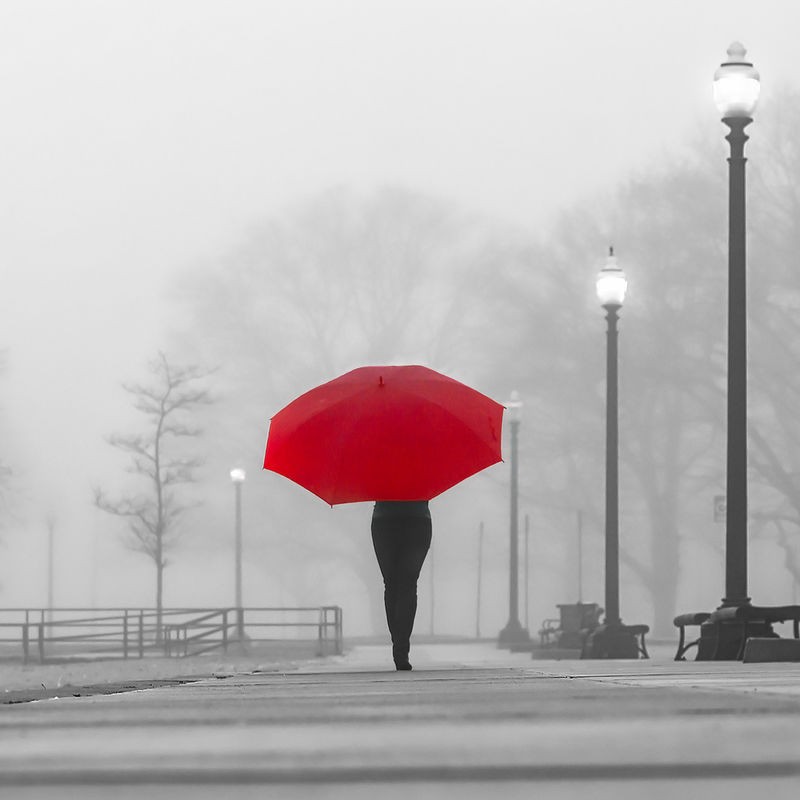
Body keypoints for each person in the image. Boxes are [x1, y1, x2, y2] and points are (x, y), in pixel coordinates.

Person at [371, 500, 432, 671]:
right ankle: (400, 646)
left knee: (396, 584)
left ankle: (399, 645)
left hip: (387, 520)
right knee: (404, 584)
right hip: (416, 519)